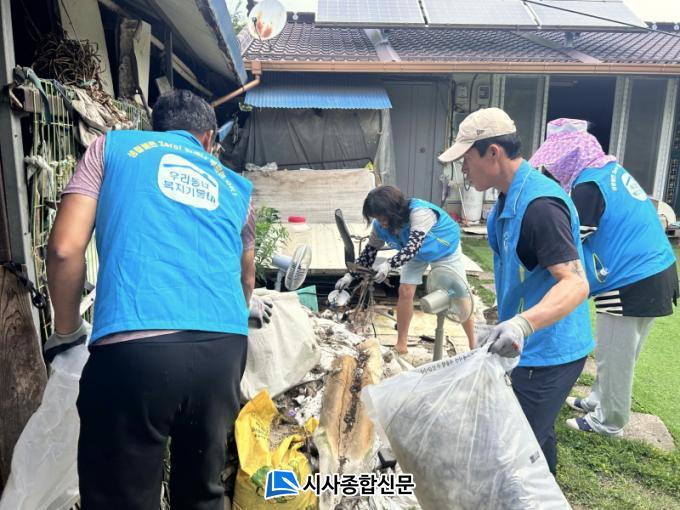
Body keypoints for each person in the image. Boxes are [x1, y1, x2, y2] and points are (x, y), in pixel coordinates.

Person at [45, 89, 269, 510]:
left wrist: (68, 331)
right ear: (208, 139)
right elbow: (247, 277)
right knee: (202, 493)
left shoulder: (111, 148)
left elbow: (64, 250)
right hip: (222, 353)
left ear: (155, 128)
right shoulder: (238, 188)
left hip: (134, 350)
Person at [438, 108, 594, 475]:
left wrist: (522, 324)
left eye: (466, 159)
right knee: (535, 436)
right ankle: (547, 493)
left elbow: (575, 283)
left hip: (548, 351)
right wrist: (501, 319)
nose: (463, 169)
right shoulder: (505, 202)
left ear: (493, 153)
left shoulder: (540, 207)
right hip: (523, 343)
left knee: (514, 449)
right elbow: (520, 273)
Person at [530, 118, 678, 437]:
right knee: (616, 351)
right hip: (655, 270)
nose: (554, 169)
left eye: (557, 161)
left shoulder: (589, 186)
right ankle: (597, 400)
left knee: (616, 355)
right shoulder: (607, 171)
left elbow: (570, 242)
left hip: (632, 279)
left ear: (571, 157)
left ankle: (609, 422)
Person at [335, 185, 476, 352]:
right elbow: (369, 254)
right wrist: (350, 275)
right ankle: (401, 344)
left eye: (382, 217)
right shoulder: (379, 226)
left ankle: (473, 344)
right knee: (405, 291)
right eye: (376, 218)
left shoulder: (420, 213)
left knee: (460, 294)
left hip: (444, 248)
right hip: (415, 254)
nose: (380, 223)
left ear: (394, 211)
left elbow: (412, 248)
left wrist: (388, 265)